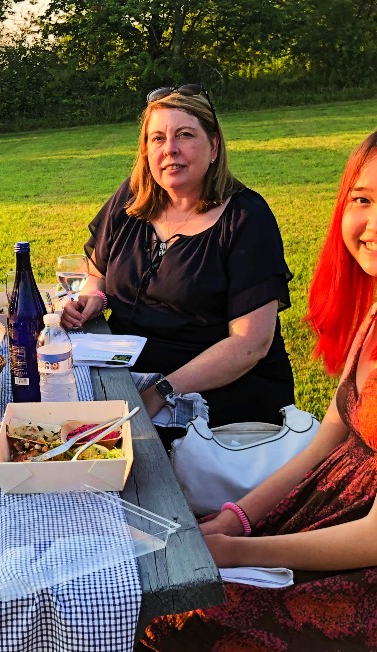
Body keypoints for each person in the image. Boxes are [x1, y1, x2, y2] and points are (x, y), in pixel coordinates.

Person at [139, 114, 377, 652]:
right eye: (362, 199)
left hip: (374, 588)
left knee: (140, 618)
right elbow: (329, 438)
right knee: (130, 577)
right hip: (324, 522)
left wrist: (237, 556)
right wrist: (240, 519)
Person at [61, 84, 295, 428]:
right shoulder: (131, 198)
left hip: (217, 397)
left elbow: (249, 345)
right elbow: (97, 268)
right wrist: (93, 295)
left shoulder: (246, 219)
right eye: (157, 139)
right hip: (127, 376)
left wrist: (161, 391)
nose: (170, 149)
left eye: (185, 135)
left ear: (213, 145)